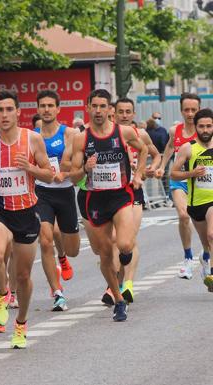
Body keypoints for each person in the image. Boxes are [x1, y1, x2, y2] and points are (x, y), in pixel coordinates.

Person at [0, 90, 54, 348]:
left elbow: (49, 175)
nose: (5, 115)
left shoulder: (33, 139)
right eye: (1, 110)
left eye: (10, 110)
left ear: (18, 112)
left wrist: (30, 168)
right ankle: (2, 294)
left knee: (23, 276)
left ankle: (20, 323)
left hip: (26, 212)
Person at [70, 89, 147, 322]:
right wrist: (85, 169)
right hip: (96, 199)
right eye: (94, 106)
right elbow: (73, 178)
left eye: (103, 106)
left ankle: (125, 257)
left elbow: (143, 149)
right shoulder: (81, 138)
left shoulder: (123, 132)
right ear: (88, 108)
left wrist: (138, 174)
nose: (98, 110)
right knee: (104, 255)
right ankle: (118, 299)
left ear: (110, 110)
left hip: (121, 196)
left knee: (124, 244)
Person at [34, 90, 80, 311]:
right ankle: (57, 291)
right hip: (42, 193)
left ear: (58, 109)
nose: (46, 109)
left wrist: (64, 172)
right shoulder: (32, 136)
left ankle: (63, 256)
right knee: (45, 238)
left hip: (65, 191)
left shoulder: (69, 133)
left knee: (73, 247)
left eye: (50, 105)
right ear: (38, 109)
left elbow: (71, 161)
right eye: (42, 106)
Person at [113, 97, 162, 303]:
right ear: (113, 113)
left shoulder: (140, 134)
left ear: (133, 114)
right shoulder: (106, 135)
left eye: (128, 111)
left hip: (134, 192)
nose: (124, 115)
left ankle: (129, 285)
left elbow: (156, 155)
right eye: (121, 111)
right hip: (110, 193)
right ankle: (115, 283)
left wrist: (147, 170)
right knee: (113, 242)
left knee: (128, 239)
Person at [156, 93, 209, 279]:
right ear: (181, 110)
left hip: (202, 184)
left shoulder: (205, 131)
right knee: (183, 214)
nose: (190, 113)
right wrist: (162, 166)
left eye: (194, 109)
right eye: (186, 109)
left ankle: (206, 256)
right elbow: (170, 147)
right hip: (180, 180)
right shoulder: (175, 130)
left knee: (205, 228)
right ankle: (187, 258)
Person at [171, 107, 213, 292]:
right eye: (202, 126)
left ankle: (211, 272)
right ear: (195, 127)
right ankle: (205, 259)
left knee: (212, 235)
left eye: (209, 126)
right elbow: (173, 173)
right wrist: (191, 173)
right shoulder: (188, 148)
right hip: (196, 204)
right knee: (206, 242)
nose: (205, 130)